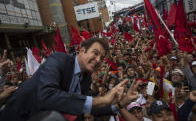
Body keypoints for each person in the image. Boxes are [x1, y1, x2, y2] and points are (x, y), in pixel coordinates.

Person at [0, 38, 138, 121]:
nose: (97, 60)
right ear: (82, 50)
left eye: (101, 58)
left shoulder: (85, 79)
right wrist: (102, 99)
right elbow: (46, 96)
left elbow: (89, 107)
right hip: (17, 116)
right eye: (95, 54)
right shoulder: (59, 59)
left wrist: (120, 104)